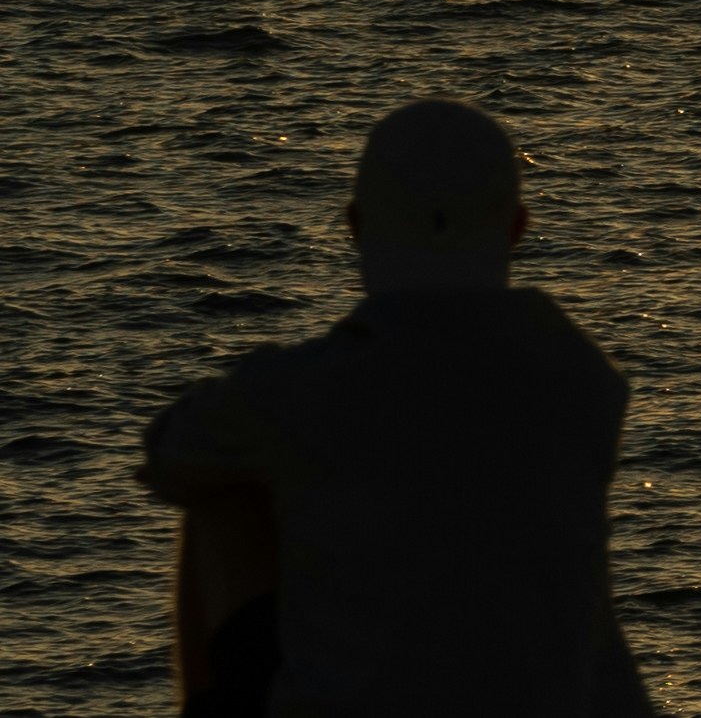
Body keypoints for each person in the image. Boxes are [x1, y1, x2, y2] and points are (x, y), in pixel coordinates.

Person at [136, 99, 655, 718]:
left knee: (223, 492)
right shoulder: (585, 379)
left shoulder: (296, 392)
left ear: (354, 225)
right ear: (517, 227)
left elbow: (169, 458)